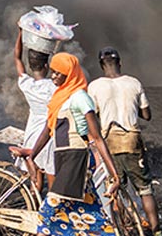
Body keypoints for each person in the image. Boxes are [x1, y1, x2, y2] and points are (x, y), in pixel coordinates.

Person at [12, 53, 122, 236]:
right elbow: (48, 130)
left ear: (69, 74)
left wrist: (114, 175)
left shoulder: (80, 98)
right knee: (86, 211)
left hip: (77, 159)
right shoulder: (59, 98)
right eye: (53, 72)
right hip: (63, 158)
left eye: (58, 73)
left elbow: (97, 138)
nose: (53, 76)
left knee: (47, 214)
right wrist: (31, 155)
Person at [88, 47, 160, 235]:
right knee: (145, 189)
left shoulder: (95, 86)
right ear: (120, 63)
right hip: (132, 140)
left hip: (109, 142)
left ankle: (126, 228)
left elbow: (92, 114)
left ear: (101, 65)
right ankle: (156, 230)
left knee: (116, 186)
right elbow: (147, 114)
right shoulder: (133, 83)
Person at [12, 28, 56, 194]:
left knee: (36, 178)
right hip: (48, 137)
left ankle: (35, 209)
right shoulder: (54, 87)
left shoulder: (26, 84)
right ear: (47, 66)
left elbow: (17, 57)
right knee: (52, 178)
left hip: (31, 135)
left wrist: (20, 33)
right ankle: (53, 213)